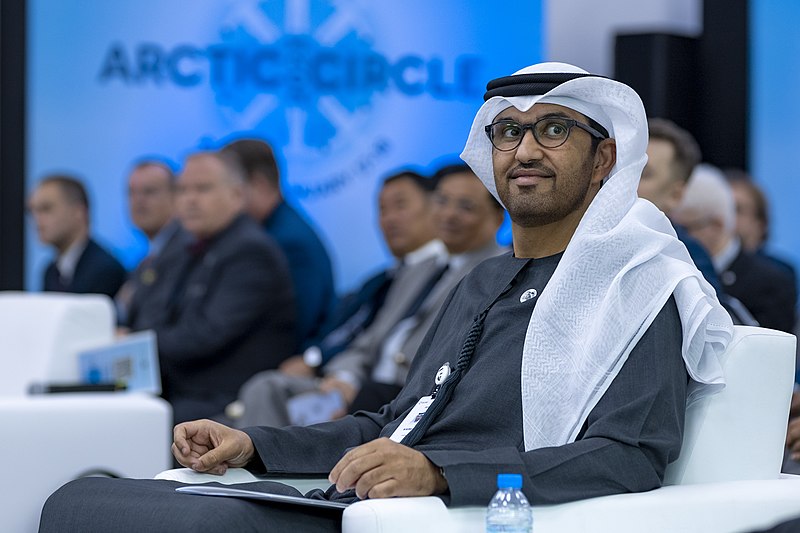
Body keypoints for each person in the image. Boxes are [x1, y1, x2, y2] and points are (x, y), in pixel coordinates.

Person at [39, 62, 732, 532]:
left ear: (603, 159)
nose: (525, 150)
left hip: (450, 513)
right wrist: (253, 444)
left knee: (188, 520)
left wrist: (437, 472)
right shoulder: (483, 280)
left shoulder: (642, 283)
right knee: (78, 498)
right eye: (509, 131)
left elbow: (627, 456)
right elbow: (394, 421)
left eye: (554, 130)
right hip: (370, 502)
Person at [229, 163, 504, 428]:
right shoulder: (416, 269)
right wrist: (345, 377)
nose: (449, 214)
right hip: (364, 386)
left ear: (498, 216)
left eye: (465, 207)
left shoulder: (497, 274)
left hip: (411, 397)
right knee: (267, 388)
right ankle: (261, 470)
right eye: (442, 202)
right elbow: (367, 343)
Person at [127, 151, 297, 425]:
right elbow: (157, 312)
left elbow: (204, 336)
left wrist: (134, 343)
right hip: (183, 393)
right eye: (182, 190)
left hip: (226, 405)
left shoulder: (251, 252)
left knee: (127, 425)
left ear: (237, 195)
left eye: (203, 189)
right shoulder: (192, 246)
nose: (190, 199)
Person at [274, 169, 443, 379]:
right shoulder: (380, 280)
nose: (390, 219)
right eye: (382, 210)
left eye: (401, 205)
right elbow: (347, 327)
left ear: (435, 207)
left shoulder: (443, 274)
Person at [222, 138, 336, 350]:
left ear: (259, 185)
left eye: (231, 187)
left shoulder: (289, 242)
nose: (225, 198)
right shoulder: (270, 231)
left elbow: (294, 328)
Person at [673, 164, 797, 333]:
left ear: (717, 224)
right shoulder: (673, 268)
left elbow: (770, 353)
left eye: (686, 229)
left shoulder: (772, 281)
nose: (678, 236)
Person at [638, 118, 722, 295]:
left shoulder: (691, 261)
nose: (626, 179)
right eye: (625, 167)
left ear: (675, 195)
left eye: (643, 174)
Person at [116, 159, 191, 327]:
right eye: (131, 193)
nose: (138, 201)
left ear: (176, 196)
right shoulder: (145, 261)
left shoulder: (188, 250)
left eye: (149, 192)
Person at [28, 174, 126, 297]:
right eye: (32, 211)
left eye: (46, 209)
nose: (36, 220)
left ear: (78, 212)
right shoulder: (50, 271)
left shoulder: (106, 270)